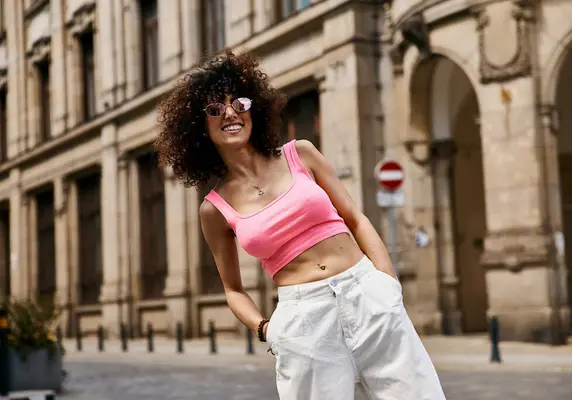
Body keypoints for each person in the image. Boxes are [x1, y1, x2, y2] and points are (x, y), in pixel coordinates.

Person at [155, 50, 446, 400]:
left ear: (255, 110)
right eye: (215, 109)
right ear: (199, 128)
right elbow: (233, 289)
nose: (231, 113)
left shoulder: (301, 154)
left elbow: (355, 218)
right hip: (303, 320)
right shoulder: (214, 210)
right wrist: (267, 329)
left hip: (367, 294)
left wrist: (386, 282)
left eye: (240, 103)